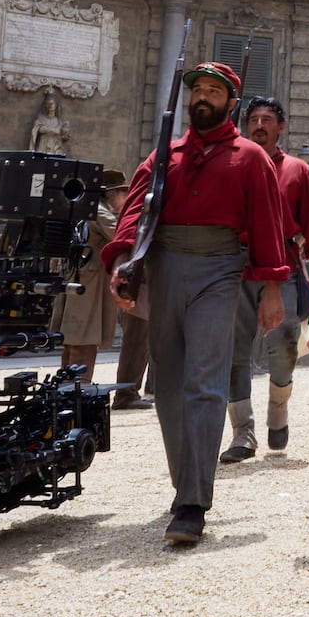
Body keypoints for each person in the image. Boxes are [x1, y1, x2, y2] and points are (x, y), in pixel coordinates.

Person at [102, 61, 287, 545]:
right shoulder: (163, 154)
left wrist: (271, 288)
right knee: (167, 384)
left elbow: (268, 225)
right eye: (197, 89)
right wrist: (123, 261)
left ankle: (192, 502)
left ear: (231, 101)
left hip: (219, 270)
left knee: (205, 382)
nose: (202, 96)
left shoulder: (250, 157)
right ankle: (185, 482)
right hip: (164, 269)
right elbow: (135, 212)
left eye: (213, 90)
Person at [221, 96, 309, 463]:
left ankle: (278, 411)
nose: (260, 125)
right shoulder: (231, 167)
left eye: (267, 119)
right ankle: (242, 432)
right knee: (234, 351)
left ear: (280, 127)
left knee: (283, 348)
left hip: (283, 266)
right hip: (237, 267)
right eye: (253, 119)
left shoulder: (298, 170)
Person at [52, 169, 128, 382]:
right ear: (112, 193)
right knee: (83, 339)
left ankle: (68, 387)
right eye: (123, 193)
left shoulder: (84, 208)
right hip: (89, 284)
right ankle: (79, 390)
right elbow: (122, 236)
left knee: (74, 339)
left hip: (79, 279)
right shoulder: (101, 212)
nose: (126, 198)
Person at [29, 86, 71, 155]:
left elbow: (63, 134)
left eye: (52, 104)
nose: (50, 106)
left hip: (55, 146)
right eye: (48, 104)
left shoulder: (58, 120)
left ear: (56, 105)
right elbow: (38, 128)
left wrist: (64, 131)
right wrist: (52, 130)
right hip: (43, 144)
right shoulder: (41, 118)